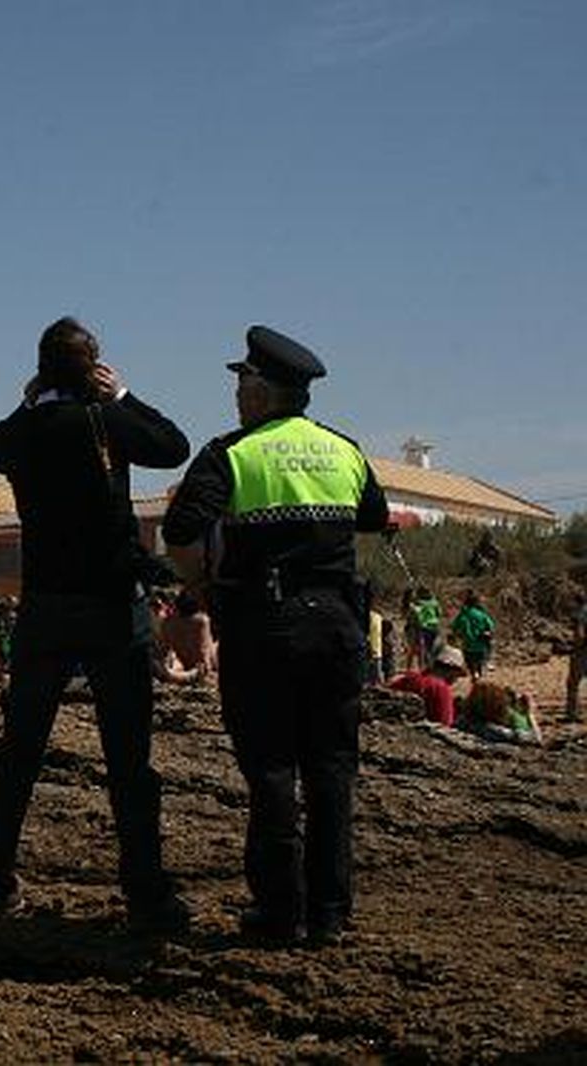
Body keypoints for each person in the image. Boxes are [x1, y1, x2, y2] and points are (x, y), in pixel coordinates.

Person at [164, 325, 389, 947]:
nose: (237, 392)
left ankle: (280, 910)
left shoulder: (230, 453)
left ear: (264, 393)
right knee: (332, 770)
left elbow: (180, 531)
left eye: (243, 381)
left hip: (265, 626)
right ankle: (331, 912)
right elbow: (374, 515)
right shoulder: (343, 449)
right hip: (339, 625)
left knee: (269, 771)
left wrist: (203, 586)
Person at [0, 316, 191, 931]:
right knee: (129, 759)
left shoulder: (23, 431)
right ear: (95, 369)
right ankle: (146, 892)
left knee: (19, 754)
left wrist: (30, 398)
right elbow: (172, 445)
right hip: (111, 607)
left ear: (41, 371)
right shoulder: (107, 421)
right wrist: (121, 396)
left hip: (45, 607)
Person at [449, 590, 496, 679]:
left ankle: (475, 675)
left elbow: (455, 627)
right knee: (480, 665)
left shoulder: (462, 615)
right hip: (481, 645)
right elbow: (491, 626)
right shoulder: (482, 614)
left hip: (467, 645)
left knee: (471, 665)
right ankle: (478, 677)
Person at [567, 592, 587, 723]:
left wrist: (576, 649)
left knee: (572, 683)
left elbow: (579, 635)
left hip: (582, 652)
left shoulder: (579, 614)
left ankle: (572, 713)